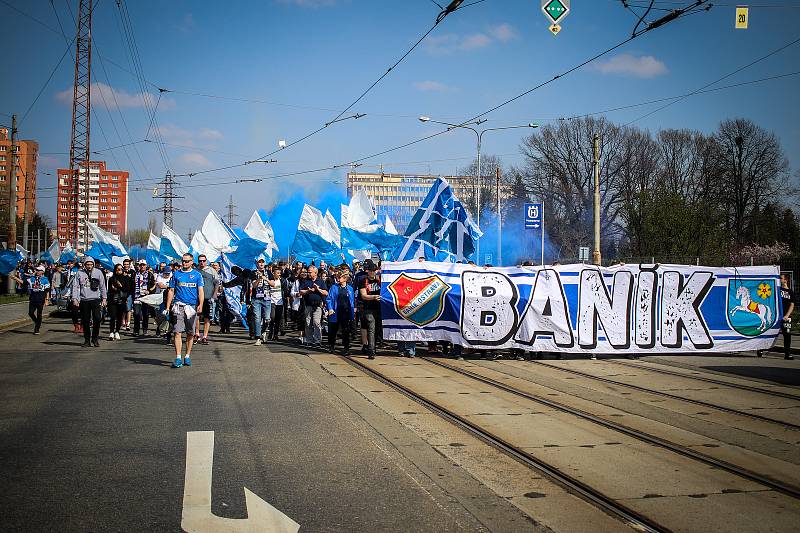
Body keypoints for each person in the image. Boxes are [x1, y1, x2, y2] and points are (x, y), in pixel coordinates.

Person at [165, 253, 204, 368]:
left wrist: (201, 304)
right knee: (177, 332)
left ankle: (187, 356)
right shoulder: (176, 274)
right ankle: (178, 357)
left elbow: (200, 291)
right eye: (183, 261)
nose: (185, 263)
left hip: (191, 307)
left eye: (187, 261)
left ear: (192, 262)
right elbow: (171, 291)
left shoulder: (197, 275)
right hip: (178, 306)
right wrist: (168, 306)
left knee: (190, 333)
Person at [71, 258, 107, 347]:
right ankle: (87, 340)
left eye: (91, 264)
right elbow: (75, 286)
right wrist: (75, 298)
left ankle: (95, 338)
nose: (89, 266)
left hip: (95, 299)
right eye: (87, 264)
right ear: (85, 265)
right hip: (84, 300)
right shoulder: (79, 273)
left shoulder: (98, 272)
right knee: (85, 321)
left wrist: (104, 298)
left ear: (93, 264)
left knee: (97, 319)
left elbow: (102, 286)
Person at [12, 265, 50, 334]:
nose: (37, 271)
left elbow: (47, 291)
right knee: (31, 313)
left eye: (39, 270)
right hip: (33, 298)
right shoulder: (32, 278)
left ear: (42, 271)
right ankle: (37, 322)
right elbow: (23, 282)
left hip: (40, 299)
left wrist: (46, 300)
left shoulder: (45, 279)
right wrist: (15, 278)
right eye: (37, 270)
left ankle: (37, 329)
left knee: (39, 314)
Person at [299, 265, 328, 347]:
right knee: (308, 323)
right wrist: (308, 291)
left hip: (317, 306)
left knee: (316, 323)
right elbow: (301, 291)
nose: (308, 273)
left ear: (315, 273)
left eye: (310, 272)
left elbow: (326, 293)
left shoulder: (321, 281)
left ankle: (318, 340)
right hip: (308, 305)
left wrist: (318, 289)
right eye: (308, 271)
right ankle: (309, 340)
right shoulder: (305, 281)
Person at [326, 270, 355, 354]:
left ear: (345, 278)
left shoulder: (350, 289)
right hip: (335, 312)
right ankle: (331, 346)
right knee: (333, 330)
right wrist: (330, 308)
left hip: (345, 313)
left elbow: (352, 302)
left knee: (346, 331)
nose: (337, 278)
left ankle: (346, 348)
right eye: (337, 277)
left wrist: (352, 314)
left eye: (339, 277)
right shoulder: (333, 287)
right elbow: (329, 299)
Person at [359, 262, 381, 359]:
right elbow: (364, 296)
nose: (372, 273)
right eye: (371, 271)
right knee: (371, 328)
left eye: (374, 271)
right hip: (368, 308)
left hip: (379, 308)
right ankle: (371, 350)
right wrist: (374, 297)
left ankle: (373, 347)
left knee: (378, 329)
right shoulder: (363, 281)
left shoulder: (380, 280)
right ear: (368, 271)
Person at [196, 254, 220, 345]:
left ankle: (205, 336)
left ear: (206, 261)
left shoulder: (212, 270)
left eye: (203, 260)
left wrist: (214, 294)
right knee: (196, 316)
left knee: (207, 317)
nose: (202, 262)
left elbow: (217, 283)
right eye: (200, 261)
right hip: (197, 298)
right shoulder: (195, 271)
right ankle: (197, 334)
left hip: (208, 297)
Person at [106, 263, 132, 340]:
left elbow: (127, 289)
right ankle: (111, 332)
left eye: (120, 269)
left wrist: (120, 287)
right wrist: (114, 289)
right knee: (113, 316)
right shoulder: (112, 278)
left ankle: (117, 331)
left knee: (119, 317)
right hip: (113, 300)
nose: (119, 271)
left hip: (122, 300)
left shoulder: (126, 278)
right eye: (117, 269)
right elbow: (110, 289)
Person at [250, 258, 272, 346]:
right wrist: (259, 279)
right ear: (257, 264)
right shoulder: (253, 273)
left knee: (267, 319)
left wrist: (265, 279)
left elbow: (273, 284)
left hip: (266, 298)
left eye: (263, 262)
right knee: (257, 318)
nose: (261, 264)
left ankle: (264, 332)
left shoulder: (269, 273)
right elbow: (254, 286)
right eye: (259, 262)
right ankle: (258, 337)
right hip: (256, 299)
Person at [132, 259, 156, 336]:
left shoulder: (150, 274)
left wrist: (149, 291)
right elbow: (131, 285)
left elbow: (154, 285)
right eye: (140, 265)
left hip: (146, 297)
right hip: (137, 297)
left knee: (145, 314)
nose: (142, 266)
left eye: (143, 265)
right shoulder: (135, 274)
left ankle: (145, 330)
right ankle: (136, 330)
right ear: (139, 266)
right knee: (136, 314)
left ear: (146, 266)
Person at [779, 273, 796, 360]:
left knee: (787, 335)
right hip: (777, 316)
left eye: (781, 278)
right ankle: (761, 349)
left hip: (786, 318)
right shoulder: (777, 289)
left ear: (786, 280)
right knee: (770, 332)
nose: (780, 279)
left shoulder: (790, 292)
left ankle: (787, 354)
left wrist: (787, 315)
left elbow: (792, 305)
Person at [267, 264, 286, 341]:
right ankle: (270, 333)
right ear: (273, 273)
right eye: (277, 273)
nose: (279, 274)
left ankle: (275, 334)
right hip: (272, 301)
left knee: (278, 319)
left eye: (279, 273)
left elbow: (285, 290)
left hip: (280, 302)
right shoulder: (270, 281)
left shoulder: (282, 281)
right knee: (272, 317)